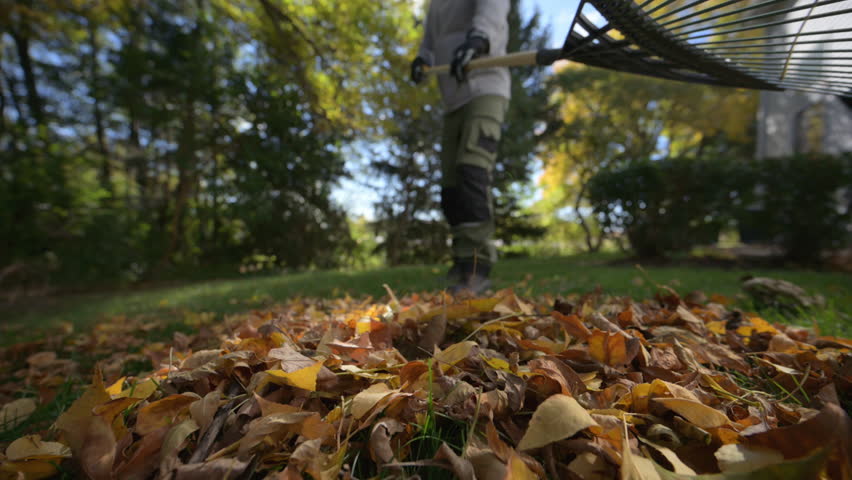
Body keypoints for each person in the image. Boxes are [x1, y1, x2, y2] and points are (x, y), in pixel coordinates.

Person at [410, 0, 511, 295]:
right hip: (453, 97)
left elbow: (492, 9)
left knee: (472, 169)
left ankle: (477, 268)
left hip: (486, 86)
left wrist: (479, 39)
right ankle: (462, 259)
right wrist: (422, 58)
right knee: (450, 186)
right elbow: (430, 40)